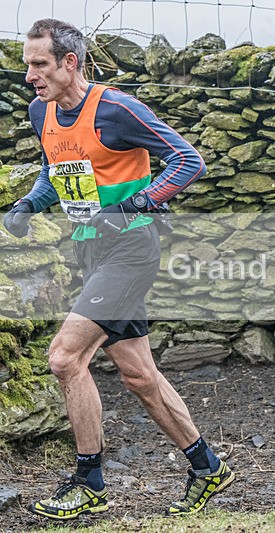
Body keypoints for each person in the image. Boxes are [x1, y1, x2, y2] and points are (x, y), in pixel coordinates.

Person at [3, 19, 232, 519]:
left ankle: (88, 480)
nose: (29, 76)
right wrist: (30, 204)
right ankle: (207, 467)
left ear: (70, 63)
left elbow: (188, 161)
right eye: (27, 65)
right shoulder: (40, 109)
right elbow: (58, 166)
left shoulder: (115, 108)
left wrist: (138, 203)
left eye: (39, 65)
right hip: (91, 252)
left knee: (65, 358)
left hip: (130, 252)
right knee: (139, 376)